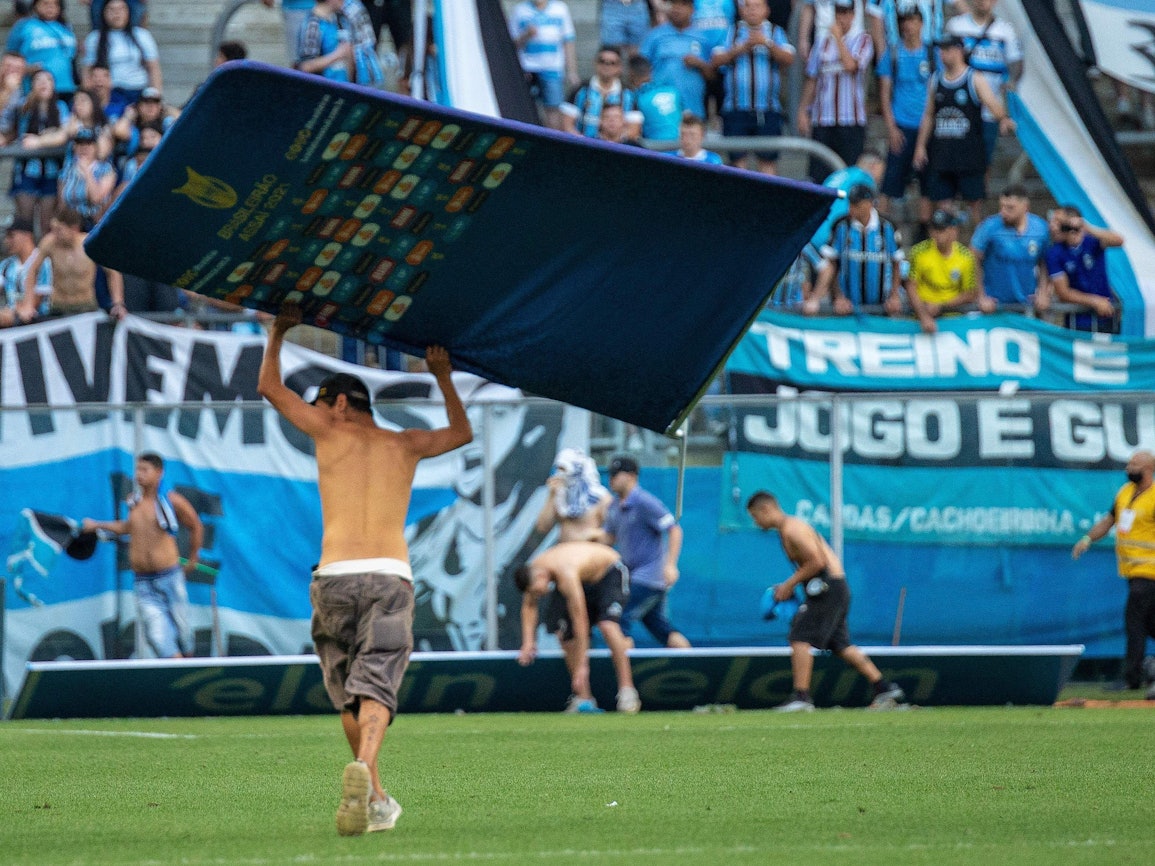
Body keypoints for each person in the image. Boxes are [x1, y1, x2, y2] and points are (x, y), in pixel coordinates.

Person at [258, 303, 473, 836]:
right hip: (387, 575)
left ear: (337, 405)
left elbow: (269, 387)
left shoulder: (329, 433)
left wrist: (279, 332)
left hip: (332, 577)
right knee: (377, 681)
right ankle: (368, 780)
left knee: (350, 691)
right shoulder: (406, 445)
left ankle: (374, 792)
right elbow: (462, 432)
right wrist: (443, 378)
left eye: (322, 403)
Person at [746, 490, 906, 712]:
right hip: (835, 587)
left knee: (799, 637)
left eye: (755, 516)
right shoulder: (787, 529)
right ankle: (883, 687)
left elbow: (817, 561)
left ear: (766, 509)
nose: (756, 522)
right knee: (840, 645)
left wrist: (788, 585)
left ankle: (801, 697)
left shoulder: (793, 529)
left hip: (827, 587)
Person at [82, 452, 203, 660]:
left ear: (159, 473)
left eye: (145, 470)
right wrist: (97, 525)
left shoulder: (171, 501)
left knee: (183, 633)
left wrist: (193, 558)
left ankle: (188, 669)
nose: (139, 475)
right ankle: (179, 666)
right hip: (143, 582)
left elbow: (195, 525)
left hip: (170, 577)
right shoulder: (134, 502)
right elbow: (129, 527)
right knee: (157, 636)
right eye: (137, 469)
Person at [514, 540, 641, 714]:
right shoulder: (535, 569)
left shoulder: (566, 573)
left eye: (538, 591)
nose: (539, 595)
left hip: (609, 573)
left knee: (607, 625)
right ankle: (584, 699)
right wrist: (528, 642)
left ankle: (627, 691)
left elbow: (580, 620)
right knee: (565, 636)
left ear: (541, 577)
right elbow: (529, 605)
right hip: (584, 581)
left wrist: (583, 665)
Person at [1072, 451, 1155, 698]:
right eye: (1129, 463)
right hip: (1133, 572)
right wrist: (1087, 539)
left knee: (1135, 623)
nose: (1129, 467)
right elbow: (1109, 521)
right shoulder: (1125, 493)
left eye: (1135, 464)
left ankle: (1132, 678)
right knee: (1150, 624)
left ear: (1149, 468)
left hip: (1149, 572)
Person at [913, 33, 1014, 228]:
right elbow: (928, 115)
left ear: (959, 51)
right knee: (943, 204)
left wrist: (1003, 118)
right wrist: (920, 147)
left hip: (968, 153)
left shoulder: (974, 78)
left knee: (974, 203)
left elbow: (992, 104)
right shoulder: (936, 80)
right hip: (942, 153)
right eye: (941, 50)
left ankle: (976, 247)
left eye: (947, 50)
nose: (943, 55)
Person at [602, 455, 691, 649]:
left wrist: (670, 566)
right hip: (631, 577)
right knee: (660, 627)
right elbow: (608, 538)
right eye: (611, 474)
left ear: (632, 476)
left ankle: (624, 673)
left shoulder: (644, 502)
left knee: (616, 618)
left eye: (617, 474)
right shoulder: (614, 507)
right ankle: (689, 659)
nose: (612, 479)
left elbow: (674, 530)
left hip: (649, 579)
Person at [710, 0, 795, 175]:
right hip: (735, 108)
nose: (752, 10)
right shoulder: (731, 32)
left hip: (767, 109)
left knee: (768, 161)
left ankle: (767, 199)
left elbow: (789, 58)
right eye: (748, 6)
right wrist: (741, 48)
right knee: (737, 163)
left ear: (766, 10)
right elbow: (716, 60)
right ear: (741, 10)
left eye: (757, 6)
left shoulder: (774, 32)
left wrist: (767, 44)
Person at [797, 0, 873, 181]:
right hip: (823, 119)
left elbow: (851, 66)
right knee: (818, 177)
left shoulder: (863, 41)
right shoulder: (822, 43)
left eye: (846, 13)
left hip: (851, 121)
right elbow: (812, 78)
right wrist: (802, 110)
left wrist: (838, 38)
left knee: (849, 177)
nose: (842, 17)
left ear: (853, 15)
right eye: (839, 12)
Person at [805, 183, 904, 316]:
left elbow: (897, 263)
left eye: (856, 205)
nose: (851, 209)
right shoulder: (840, 226)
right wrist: (838, 296)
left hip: (882, 307)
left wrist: (894, 295)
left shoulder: (888, 227)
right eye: (850, 204)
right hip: (848, 307)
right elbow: (832, 264)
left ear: (869, 204)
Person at [877, 3, 932, 238]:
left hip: (926, 128)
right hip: (901, 124)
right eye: (904, 22)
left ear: (922, 23)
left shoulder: (932, 54)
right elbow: (884, 93)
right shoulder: (893, 54)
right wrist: (891, 127)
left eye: (913, 21)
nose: (908, 26)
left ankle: (924, 235)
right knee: (890, 184)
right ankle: (881, 230)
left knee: (928, 185)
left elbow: (935, 92)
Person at [16, 203, 126, 321]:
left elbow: (112, 272)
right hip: (58, 307)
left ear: (74, 229)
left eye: (59, 230)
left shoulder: (89, 244)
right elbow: (32, 271)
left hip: (86, 306)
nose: (55, 234)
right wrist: (28, 303)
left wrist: (118, 303)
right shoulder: (49, 243)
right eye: (53, 229)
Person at [944, 0, 1022, 167]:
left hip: (990, 110)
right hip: (959, 108)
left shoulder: (1005, 30)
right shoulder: (956, 26)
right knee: (954, 162)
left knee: (984, 161)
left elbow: (1016, 62)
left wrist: (1011, 82)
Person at [1, 68, 70, 235]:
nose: (43, 84)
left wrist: (40, 140)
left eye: (48, 80)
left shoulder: (61, 108)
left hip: (53, 172)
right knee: (25, 222)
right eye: (38, 80)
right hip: (26, 171)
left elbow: (65, 133)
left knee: (47, 224)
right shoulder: (24, 105)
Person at [906, 208, 993, 334]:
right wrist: (923, 315)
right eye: (934, 229)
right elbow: (911, 286)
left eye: (942, 229)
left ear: (953, 230)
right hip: (921, 316)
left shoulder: (966, 257)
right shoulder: (918, 252)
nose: (937, 234)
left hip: (953, 320)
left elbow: (970, 293)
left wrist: (941, 306)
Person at [969, 183, 1050, 311]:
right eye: (1001, 206)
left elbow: (1044, 261)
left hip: (1027, 302)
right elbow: (973, 258)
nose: (1003, 212)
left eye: (1010, 208)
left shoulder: (1041, 228)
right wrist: (981, 295)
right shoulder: (989, 227)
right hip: (994, 304)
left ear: (1025, 207)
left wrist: (1043, 291)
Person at [1045, 204, 1124, 334]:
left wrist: (1087, 227)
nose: (1053, 227)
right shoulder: (1055, 253)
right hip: (1078, 321)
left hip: (1107, 317)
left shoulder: (1091, 242)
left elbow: (1118, 240)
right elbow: (1063, 292)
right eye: (1052, 221)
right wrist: (1094, 301)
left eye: (1059, 222)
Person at [510, 0, 579, 131]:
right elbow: (511, 43)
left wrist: (572, 71)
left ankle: (552, 141)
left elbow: (568, 41)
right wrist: (526, 35)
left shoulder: (560, 9)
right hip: (527, 68)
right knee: (524, 108)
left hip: (552, 68)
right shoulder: (520, 11)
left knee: (553, 109)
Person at [639, 0, 712, 122]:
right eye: (673, 4)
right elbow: (641, 67)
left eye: (683, 4)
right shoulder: (655, 36)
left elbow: (712, 76)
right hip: (662, 106)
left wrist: (699, 64)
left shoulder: (703, 38)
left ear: (693, 9)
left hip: (693, 106)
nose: (677, 9)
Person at [82, 0, 161, 108]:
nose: (117, 13)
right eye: (111, 10)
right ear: (103, 13)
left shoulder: (142, 35)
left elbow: (153, 68)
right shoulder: (94, 38)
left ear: (128, 12)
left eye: (121, 9)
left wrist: (156, 96)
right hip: (109, 94)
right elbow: (87, 72)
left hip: (138, 91)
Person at [562, 45, 641, 140]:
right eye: (602, 61)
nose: (606, 66)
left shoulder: (629, 94)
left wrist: (612, 143)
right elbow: (566, 125)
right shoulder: (580, 90)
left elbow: (634, 130)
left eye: (612, 63)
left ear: (619, 67)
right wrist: (583, 142)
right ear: (595, 63)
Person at [6, 0, 78, 104]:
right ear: (35, 6)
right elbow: (10, 56)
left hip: (66, 87)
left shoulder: (65, 27)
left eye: (55, 4)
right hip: (36, 87)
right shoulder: (24, 26)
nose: (50, 7)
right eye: (45, 3)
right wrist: (25, 69)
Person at [535, 447, 612, 543]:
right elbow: (542, 527)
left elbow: (613, 532)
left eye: (564, 469)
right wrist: (551, 495)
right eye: (559, 469)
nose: (560, 474)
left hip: (589, 553)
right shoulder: (560, 497)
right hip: (565, 553)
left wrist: (593, 534)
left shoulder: (601, 498)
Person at [57, 125, 116, 230]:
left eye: (88, 144)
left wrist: (87, 172)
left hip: (94, 222)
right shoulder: (67, 170)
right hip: (72, 224)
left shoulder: (106, 169)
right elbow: (62, 203)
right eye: (80, 144)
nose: (84, 148)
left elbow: (96, 198)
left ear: (95, 147)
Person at [0, 216, 52, 327]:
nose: (6, 241)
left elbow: (37, 300)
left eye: (11, 236)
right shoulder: (6, 265)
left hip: (37, 317)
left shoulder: (43, 262)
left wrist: (13, 312)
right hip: (10, 315)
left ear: (27, 235)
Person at [628, 54, 681, 144]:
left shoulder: (636, 97)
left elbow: (633, 133)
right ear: (651, 72)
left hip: (654, 148)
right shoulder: (673, 90)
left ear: (631, 74)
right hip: (678, 145)